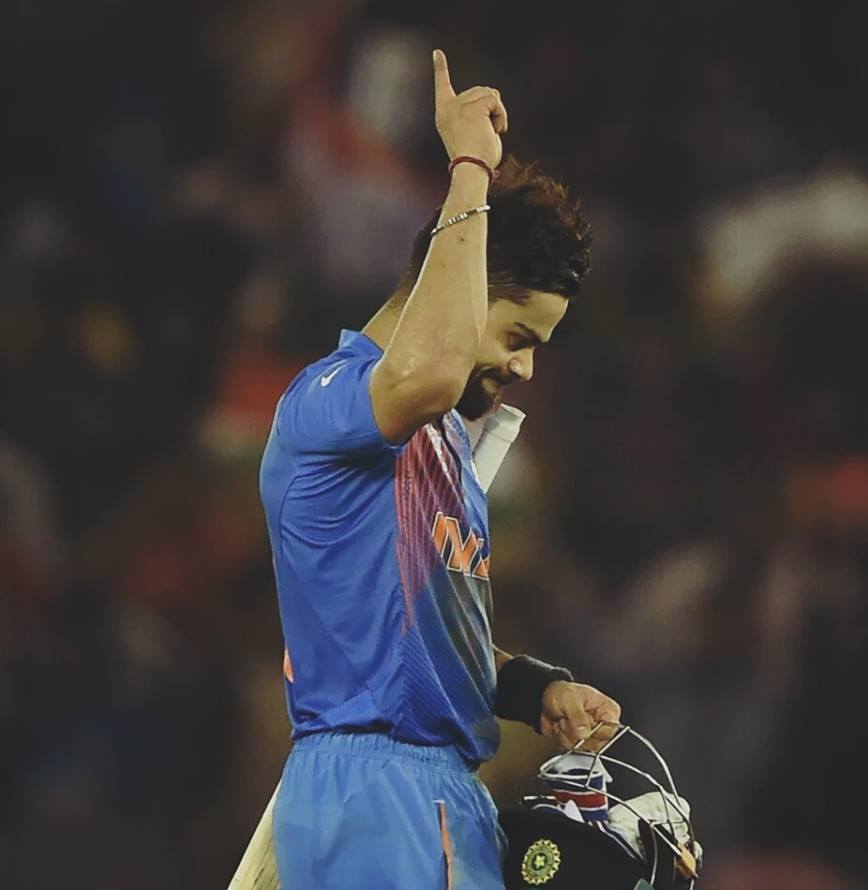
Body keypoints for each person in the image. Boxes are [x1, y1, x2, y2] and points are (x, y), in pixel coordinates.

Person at [259, 49, 621, 889]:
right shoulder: (327, 400)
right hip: (377, 789)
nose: (524, 368)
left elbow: (420, 645)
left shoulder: (448, 446)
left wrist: (534, 691)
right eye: (518, 337)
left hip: (435, 789)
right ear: (458, 283)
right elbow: (425, 371)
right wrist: (469, 172)